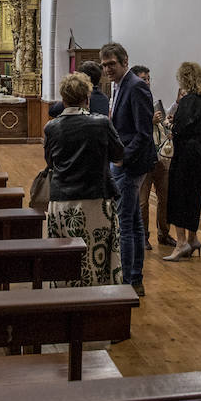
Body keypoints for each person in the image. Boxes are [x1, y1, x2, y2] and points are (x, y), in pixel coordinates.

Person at [43, 72, 125, 287]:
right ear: (86, 98)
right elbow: (118, 154)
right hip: (96, 199)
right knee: (95, 257)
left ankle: (64, 299)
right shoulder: (101, 123)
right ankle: (95, 304)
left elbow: (50, 162)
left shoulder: (52, 127)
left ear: (63, 99)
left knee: (65, 256)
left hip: (62, 200)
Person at [101, 42, 156, 297]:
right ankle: (134, 278)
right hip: (124, 163)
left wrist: (122, 158)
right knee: (133, 223)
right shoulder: (120, 85)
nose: (107, 69)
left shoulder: (136, 87)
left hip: (130, 165)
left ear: (125, 61)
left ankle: (127, 280)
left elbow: (144, 134)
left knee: (125, 224)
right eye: (104, 65)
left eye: (112, 64)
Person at [163, 62, 201, 261]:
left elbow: (178, 129)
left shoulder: (187, 101)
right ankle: (193, 238)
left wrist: (168, 124)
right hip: (199, 150)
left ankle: (181, 242)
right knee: (193, 194)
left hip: (184, 153)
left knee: (178, 194)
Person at [132, 65, 174, 249]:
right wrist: (150, 122)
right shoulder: (132, 100)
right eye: (143, 79)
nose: (147, 82)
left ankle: (164, 234)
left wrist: (166, 126)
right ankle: (143, 236)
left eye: (148, 78)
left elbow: (162, 126)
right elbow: (132, 129)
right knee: (142, 201)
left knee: (165, 198)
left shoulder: (153, 100)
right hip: (143, 157)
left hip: (160, 157)